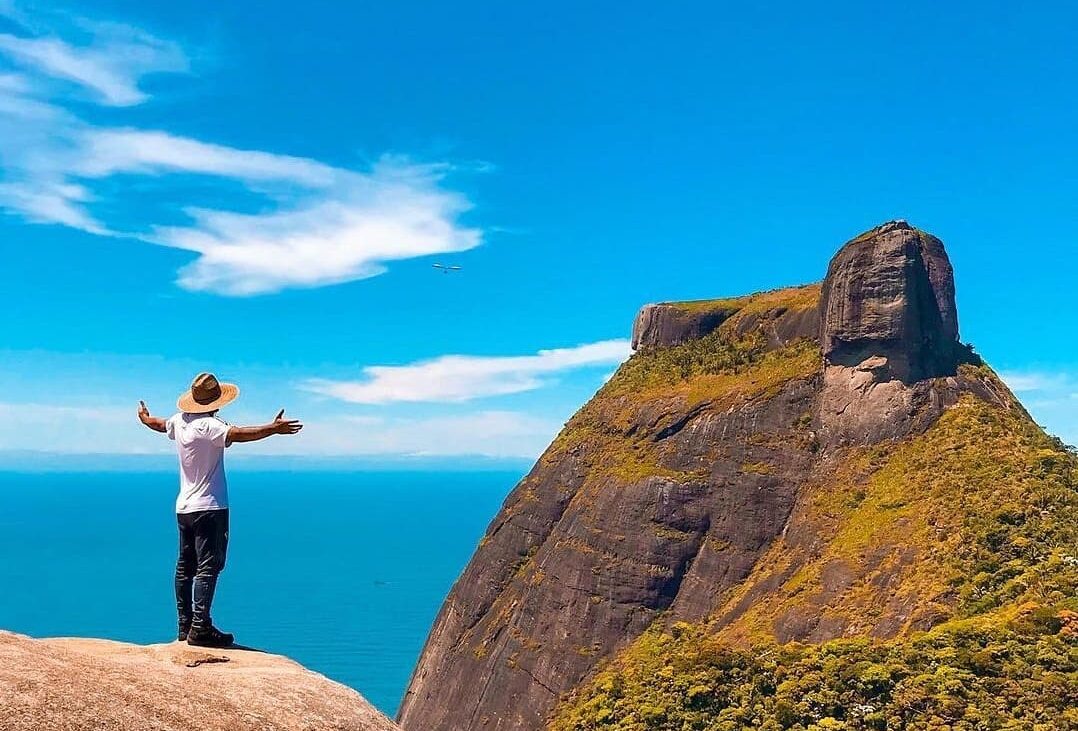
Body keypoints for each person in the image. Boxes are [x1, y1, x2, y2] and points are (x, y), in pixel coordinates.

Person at [137, 372, 303, 647]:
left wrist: (143, 418)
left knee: (184, 566)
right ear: (215, 401)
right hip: (210, 507)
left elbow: (157, 424)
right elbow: (239, 434)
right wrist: (273, 429)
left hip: (184, 507)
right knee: (208, 565)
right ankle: (200, 628)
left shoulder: (180, 422)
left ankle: (185, 625)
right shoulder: (209, 426)